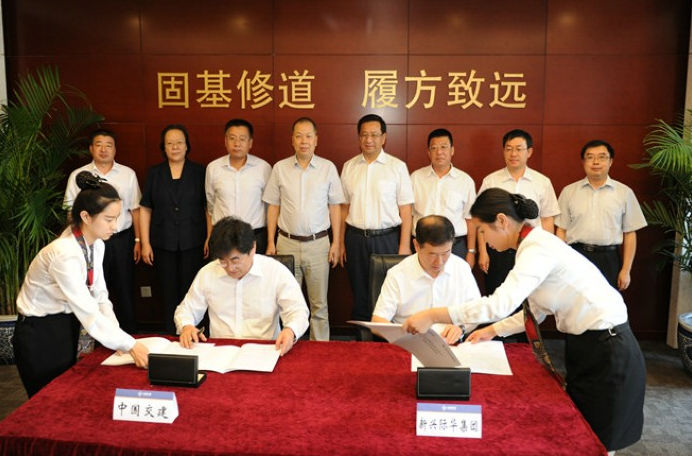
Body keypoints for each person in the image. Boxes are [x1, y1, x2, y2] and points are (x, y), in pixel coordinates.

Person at [402, 188, 645, 454]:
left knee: (596, 441)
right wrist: (492, 330)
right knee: (582, 433)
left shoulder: (537, 248)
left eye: (483, 230)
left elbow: (499, 304)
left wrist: (432, 315)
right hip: (589, 344)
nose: (484, 240)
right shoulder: (531, 246)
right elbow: (535, 311)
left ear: (502, 221)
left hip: (608, 350)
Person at [14, 172, 149, 397]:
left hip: (65, 325)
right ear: (86, 216)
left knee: (65, 394)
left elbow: (100, 296)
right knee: (46, 400)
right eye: (109, 219)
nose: (115, 227)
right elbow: (88, 311)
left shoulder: (97, 244)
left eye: (117, 218)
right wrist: (129, 344)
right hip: (39, 332)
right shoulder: (64, 253)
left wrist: (117, 336)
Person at [174, 217, 309, 356]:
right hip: (220, 353)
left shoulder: (275, 271)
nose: (230, 268)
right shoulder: (208, 273)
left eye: (235, 260)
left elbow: (298, 311)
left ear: (253, 248)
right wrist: (186, 326)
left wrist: (290, 331)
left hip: (265, 351)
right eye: (223, 261)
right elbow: (186, 309)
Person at [263, 117, 345, 341]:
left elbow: (335, 207)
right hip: (286, 243)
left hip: (318, 244)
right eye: (299, 136)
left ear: (316, 140)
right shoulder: (280, 168)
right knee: (288, 303)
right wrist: (270, 242)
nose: (304, 141)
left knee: (319, 306)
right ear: (292, 140)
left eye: (308, 136)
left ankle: (320, 352)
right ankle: (289, 347)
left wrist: (336, 243)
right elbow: (273, 206)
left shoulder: (327, 168)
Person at [64, 129, 142, 333]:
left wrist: (138, 241)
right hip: (89, 240)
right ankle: (98, 337)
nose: (104, 149)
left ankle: (129, 336)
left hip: (120, 239)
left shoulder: (127, 174)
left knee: (124, 288)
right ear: (91, 149)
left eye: (109, 145)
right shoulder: (79, 176)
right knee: (93, 289)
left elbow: (135, 209)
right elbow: (71, 211)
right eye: (99, 144)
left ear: (115, 149)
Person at [340, 113, 414, 322]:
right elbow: (344, 208)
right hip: (355, 239)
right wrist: (341, 242)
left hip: (387, 240)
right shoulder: (349, 167)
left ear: (384, 138)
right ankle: (362, 339)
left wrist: (404, 245)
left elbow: (406, 210)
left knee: (387, 295)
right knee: (359, 294)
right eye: (364, 135)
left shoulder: (397, 167)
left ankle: (383, 340)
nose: (369, 140)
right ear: (359, 138)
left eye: (374, 135)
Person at [139, 124, 209, 334]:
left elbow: (208, 208)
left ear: (187, 146)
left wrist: (209, 237)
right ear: (164, 147)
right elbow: (145, 209)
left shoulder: (199, 172)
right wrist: (144, 243)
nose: (175, 147)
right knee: (167, 291)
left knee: (193, 290)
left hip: (193, 240)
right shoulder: (155, 173)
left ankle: (194, 333)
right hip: (163, 241)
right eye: (170, 143)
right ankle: (172, 334)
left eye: (179, 142)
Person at [371, 215, 481, 344]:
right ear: (416, 245)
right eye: (432, 254)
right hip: (409, 345)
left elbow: (477, 312)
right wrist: (406, 335)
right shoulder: (398, 274)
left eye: (446, 253)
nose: (439, 262)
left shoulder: (461, 268)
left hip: (451, 345)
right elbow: (377, 322)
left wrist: (461, 328)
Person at [555, 139, 647, 290]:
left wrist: (626, 270)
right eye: (590, 157)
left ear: (610, 161)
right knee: (574, 302)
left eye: (602, 157)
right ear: (583, 162)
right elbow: (561, 230)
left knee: (606, 303)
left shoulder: (624, 193)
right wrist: (561, 263)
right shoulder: (569, 192)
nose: (596, 162)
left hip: (609, 259)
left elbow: (630, 234)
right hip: (576, 256)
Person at [477, 129, 560, 295]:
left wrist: (545, 251)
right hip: (497, 251)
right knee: (498, 296)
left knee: (529, 298)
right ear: (503, 151)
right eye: (508, 149)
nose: (513, 154)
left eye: (518, 149)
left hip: (530, 250)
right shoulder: (491, 181)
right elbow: (482, 220)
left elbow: (547, 220)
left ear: (529, 152)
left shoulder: (542, 182)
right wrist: (483, 252)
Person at [410, 128, 477, 265]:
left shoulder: (465, 181)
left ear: (452, 150)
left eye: (444, 147)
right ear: (428, 152)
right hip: (422, 246)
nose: (439, 152)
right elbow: (408, 215)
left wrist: (471, 251)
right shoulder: (416, 178)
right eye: (434, 148)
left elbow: (470, 219)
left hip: (455, 247)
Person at [205, 118, 272, 255]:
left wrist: (270, 241)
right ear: (225, 141)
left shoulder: (263, 168)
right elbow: (210, 204)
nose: (237, 144)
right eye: (232, 138)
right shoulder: (213, 168)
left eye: (242, 139)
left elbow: (270, 206)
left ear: (250, 143)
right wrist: (209, 236)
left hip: (255, 236)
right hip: (222, 236)